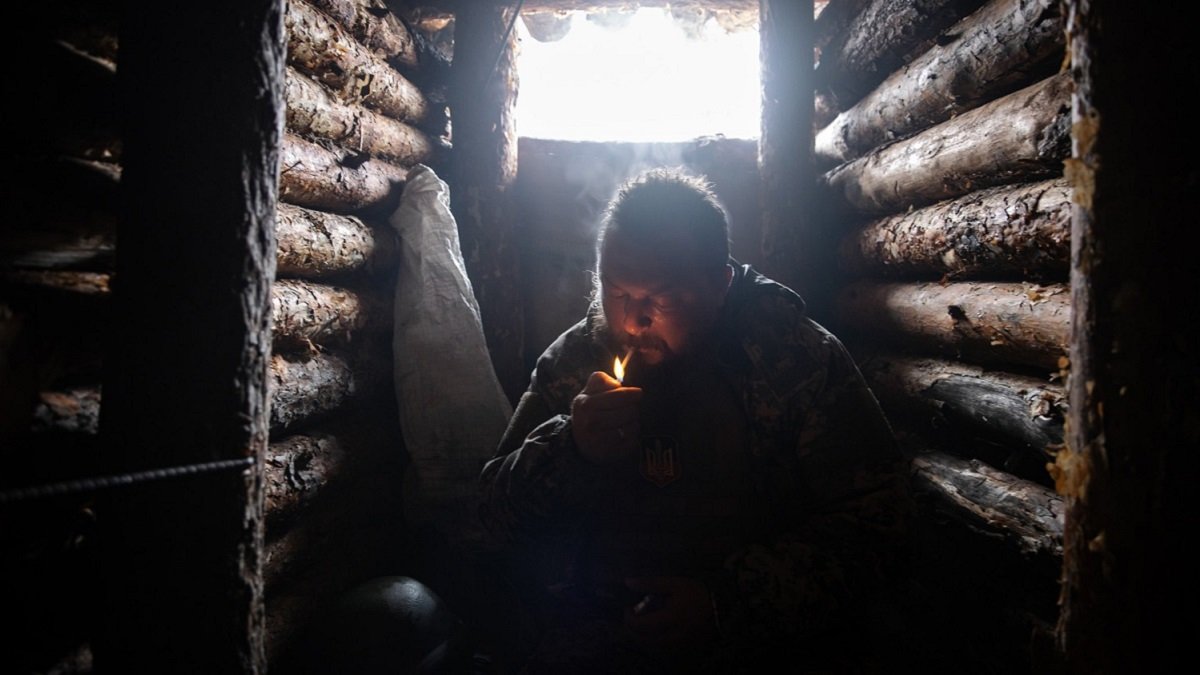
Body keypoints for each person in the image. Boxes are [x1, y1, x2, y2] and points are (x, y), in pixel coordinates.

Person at [478, 168, 913, 673]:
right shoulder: (573, 362)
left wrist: (727, 603)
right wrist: (571, 449)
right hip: (595, 632)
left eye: (661, 300)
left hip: (759, 642)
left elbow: (883, 524)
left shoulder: (794, 360)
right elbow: (489, 519)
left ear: (720, 284)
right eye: (615, 292)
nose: (632, 321)